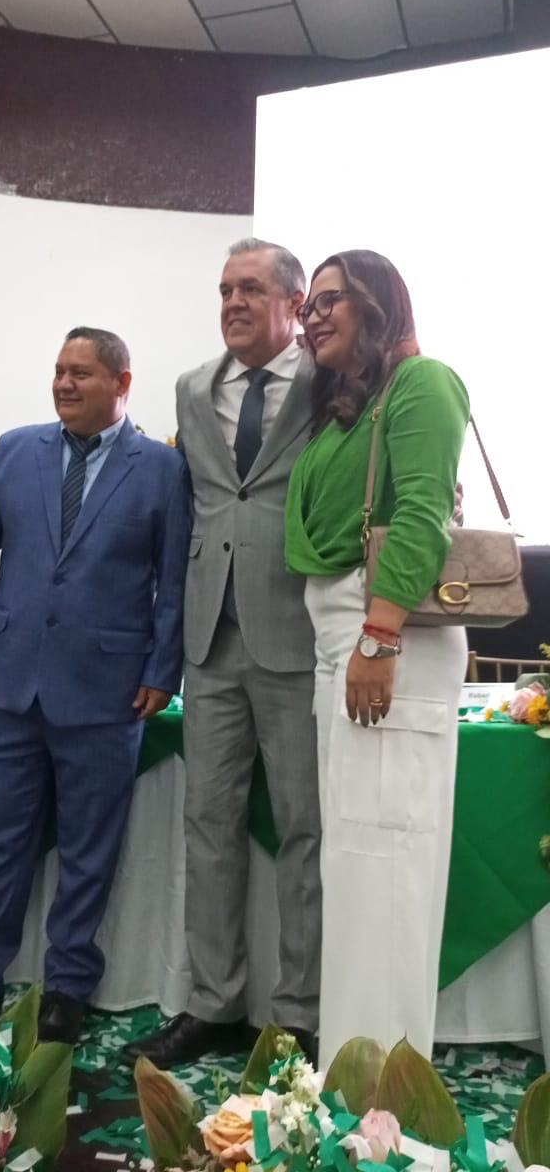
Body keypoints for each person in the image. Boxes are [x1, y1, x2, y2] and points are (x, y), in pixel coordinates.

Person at [0, 327, 192, 1043]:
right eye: (58, 371)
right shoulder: (15, 449)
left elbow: (174, 579)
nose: (64, 384)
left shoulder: (163, 469)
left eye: (81, 372)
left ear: (122, 383)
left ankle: (68, 987)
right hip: (12, 682)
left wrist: (161, 669)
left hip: (109, 692)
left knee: (88, 851)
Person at [124, 238, 321, 1068]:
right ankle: (212, 1003)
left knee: (306, 828)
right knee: (208, 824)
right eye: (224, 290)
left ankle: (300, 1014)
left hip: (300, 632)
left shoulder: (331, 381)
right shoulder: (191, 387)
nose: (233, 303)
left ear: (294, 303)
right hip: (210, 637)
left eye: (250, 289)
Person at [284, 250, 470, 1065]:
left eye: (332, 299)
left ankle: (384, 1093)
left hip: (388, 640)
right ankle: (353, 1078)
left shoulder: (422, 383)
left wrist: (380, 633)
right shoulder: (349, 407)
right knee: (357, 864)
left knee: (387, 864)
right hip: (347, 638)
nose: (313, 315)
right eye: (310, 305)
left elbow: (424, 513)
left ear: (378, 302)